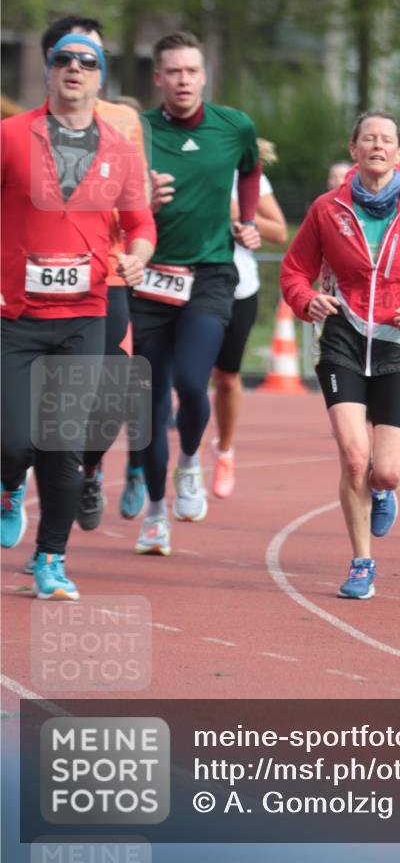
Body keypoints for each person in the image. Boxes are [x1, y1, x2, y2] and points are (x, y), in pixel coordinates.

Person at [0, 30, 156, 599]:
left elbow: (140, 223)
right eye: (63, 59)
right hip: (15, 316)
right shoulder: (11, 136)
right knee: (13, 441)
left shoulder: (119, 149)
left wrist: (138, 257)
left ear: (99, 77)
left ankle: (51, 559)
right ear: (49, 69)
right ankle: (8, 483)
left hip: (84, 314)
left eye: (86, 62)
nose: (74, 67)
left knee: (62, 445)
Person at [280, 112, 400, 599]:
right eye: (368, 139)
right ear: (354, 149)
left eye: (386, 140)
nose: (377, 146)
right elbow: (294, 271)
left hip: (397, 343)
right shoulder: (327, 209)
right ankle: (362, 562)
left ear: (399, 153)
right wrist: (307, 300)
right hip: (341, 339)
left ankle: (382, 491)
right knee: (355, 458)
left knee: (388, 472)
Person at [130, 30, 261, 557]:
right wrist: (140, 201)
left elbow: (250, 169)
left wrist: (247, 220)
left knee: (192, 380)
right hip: (148, 275)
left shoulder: (235, 126)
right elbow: (110, 196)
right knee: (149, 404)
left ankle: (189, 462)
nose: (183, 80)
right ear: (158, 77)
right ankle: (155, 514)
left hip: (209, 273)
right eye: (173, 72)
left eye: (191, 71)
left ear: (203, 76)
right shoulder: (137, 131)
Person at [211, 138, 287, 498]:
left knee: (226, 378)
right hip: (187, 284)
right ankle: (185, 458)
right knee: (186, 379)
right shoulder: (178, 165)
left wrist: (238, 213)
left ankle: (224, 450)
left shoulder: (244, 177)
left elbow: (279, 231)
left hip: (238, 287)